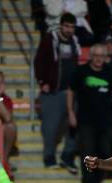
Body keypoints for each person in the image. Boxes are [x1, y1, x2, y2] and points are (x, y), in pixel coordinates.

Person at [68, 44, 112, 183]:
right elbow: (71, 91)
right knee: (88, 154)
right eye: (95, 55)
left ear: (105, 57)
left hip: (106, 122)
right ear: (91, 56)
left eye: (101, 56)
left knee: (104, 154)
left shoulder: (110, 72)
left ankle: (97, 182)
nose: (98, 58)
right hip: (85, 121)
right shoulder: (81, 71)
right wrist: (70, 112)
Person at [34, 13, 79, 169]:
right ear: (61, 25)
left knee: (75, 125)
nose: (69, 29)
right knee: (50, 127)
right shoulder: (49, 40)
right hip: (53, 91)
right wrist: (42, 81)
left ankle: (67, 156)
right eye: (67, 26)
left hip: (71, 92)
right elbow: (38, 61)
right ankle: (49, 156)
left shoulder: (74, 42)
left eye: (72, 27)